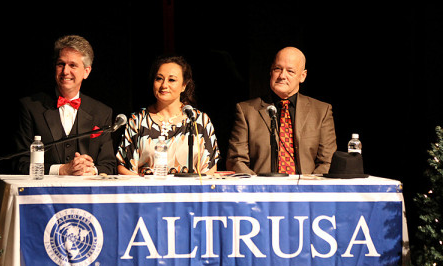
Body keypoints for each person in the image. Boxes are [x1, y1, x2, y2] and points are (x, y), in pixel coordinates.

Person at [14, 35, 116, 175]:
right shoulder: (31, 107)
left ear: (86, 71)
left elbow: (109, 166)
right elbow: (20, 163)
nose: (65, 71)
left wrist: (91, 170)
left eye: (72, 65)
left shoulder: (102, 112)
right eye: (61, 64)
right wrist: (61, 169)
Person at [226, 47, 336, 175]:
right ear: (270, 71)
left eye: (290, 71)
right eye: (277, 69)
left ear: (302, 76)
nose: (282, 76)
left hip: (307, 191)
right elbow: (236, 160)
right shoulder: (246, 111)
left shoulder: (321, 111)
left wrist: (309, 186)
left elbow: (327, 161)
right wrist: (258, 186)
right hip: (261, 191)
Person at [117, 55, 220, 175]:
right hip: (147, 192)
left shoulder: (199, 120)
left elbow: (210, 169)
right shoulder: (138, 120)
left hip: (189, 192)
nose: (164, 85)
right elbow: (124, 167)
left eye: (172, 80)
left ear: (184, 86)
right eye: (159, 79)